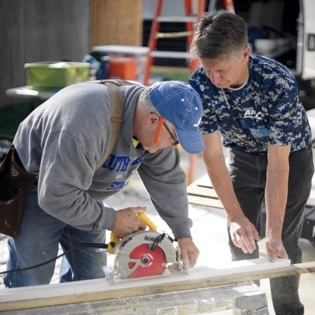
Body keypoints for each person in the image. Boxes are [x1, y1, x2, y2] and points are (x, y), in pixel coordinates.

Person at [4, 80, 204, 288]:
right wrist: (112, 219)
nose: (174, 146)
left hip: (85, 192)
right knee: (31, 281)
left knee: (93, 279)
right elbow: (56, 195)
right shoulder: (87, 122)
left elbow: (168, 179)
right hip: (42, 185)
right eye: (175, 140)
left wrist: (183, 233)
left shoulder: (149, 117)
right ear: (153, 121)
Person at [189, 10, 313, 315]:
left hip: (290, 159)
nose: (215, 80)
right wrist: (234, 217)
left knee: (282, 239)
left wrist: (271, 232)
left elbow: (278, 166)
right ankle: (248, 310)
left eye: (222, 70)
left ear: (245, 53)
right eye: (208, 70)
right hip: (242, 157)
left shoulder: (277, 81)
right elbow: (213, 154)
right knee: (239, 238)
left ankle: (288, 310)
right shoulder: (200, 85)